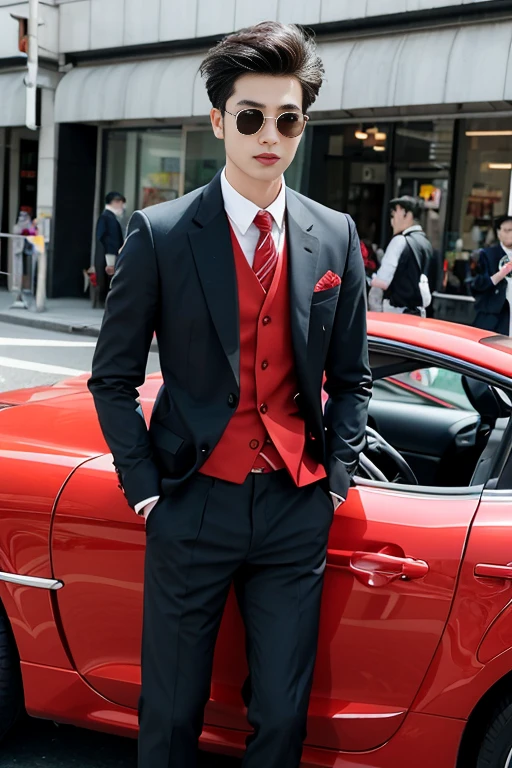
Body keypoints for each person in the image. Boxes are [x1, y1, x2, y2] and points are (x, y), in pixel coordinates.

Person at [88, 21, 371, 768]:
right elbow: (112, 378)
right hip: (192, 501)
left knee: (281, 719)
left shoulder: (336, 236)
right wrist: (146, 488)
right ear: (219, 122)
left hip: (293, 506)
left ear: (302, 125)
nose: (268, 134)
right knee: (172, 714)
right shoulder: (164, 232)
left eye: (287, 118)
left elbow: (353, 377)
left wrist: (333, 480)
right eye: (251, 117)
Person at [370, 195, 433, 316]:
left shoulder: (400, 241)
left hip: (395, 314)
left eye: (395, 214)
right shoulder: (426, 244)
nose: (392, 220)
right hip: (419, 314)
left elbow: (381, 282)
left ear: (407, 215)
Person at [470, 215, 512, 334]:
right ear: (499, 233)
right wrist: (500, 274)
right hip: (493, 317)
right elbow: (476, 285)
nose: (510, 234)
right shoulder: (487, 255)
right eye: (506, 230)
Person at [94, 191, 126, 307]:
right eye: (120, 202)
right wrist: (110, 261)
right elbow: (109, 240)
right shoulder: (108, 218)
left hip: (108, 257)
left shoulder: (108, 217)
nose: (122, 206)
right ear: (114, 203)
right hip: (109, 257)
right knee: (109, 284)